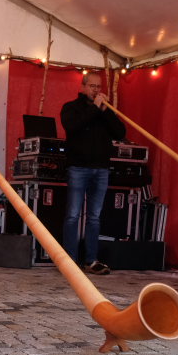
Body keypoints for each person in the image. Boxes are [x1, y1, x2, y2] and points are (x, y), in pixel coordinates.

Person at [60, 74, 126, 275]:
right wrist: (95, 108)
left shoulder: (103, 110)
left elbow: (120, 133)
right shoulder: (71, 107)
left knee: (95, 217)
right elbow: (73, 126)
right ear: (82, 87)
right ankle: (69, 261)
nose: (96, 90)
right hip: (78, 168)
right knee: (73, 215)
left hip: (101, 169)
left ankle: (91, 260)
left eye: (98, 86)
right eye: (92, 86)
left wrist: (106, 112)